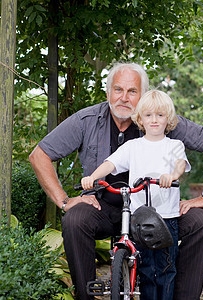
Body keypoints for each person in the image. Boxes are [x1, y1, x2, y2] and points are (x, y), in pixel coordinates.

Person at [29, 62, 203, 300]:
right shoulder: (86, 120)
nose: (124, 97)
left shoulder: (157, 117)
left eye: (132, 91)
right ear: (108, 92)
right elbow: (39, 155)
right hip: (104, 207)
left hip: (157, 210)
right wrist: (63, 201)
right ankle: (86, 296)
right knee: (75, 220)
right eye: (118, 89)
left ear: (143, 96)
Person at [81, 89, 190, 299]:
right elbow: (110, 163)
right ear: (140, 119)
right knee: (146, 270)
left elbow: (179, 166)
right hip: (140, 219)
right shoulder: (133, 147)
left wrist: (172, 176)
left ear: (169, 119)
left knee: (166, 271)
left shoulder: (174, 145)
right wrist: (92, 179)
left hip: (166, 218)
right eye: (148, 115)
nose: (154, 120)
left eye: (160, 115)